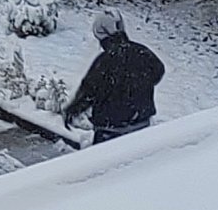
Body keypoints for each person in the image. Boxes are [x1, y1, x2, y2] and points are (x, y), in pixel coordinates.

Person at [63, 10, 164, 145]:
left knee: (108, 165)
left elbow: (88, 91)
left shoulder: (104, 62)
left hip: (111, 129)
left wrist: (72, 111)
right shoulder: (143, 53)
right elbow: (158, 71)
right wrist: (139, 87)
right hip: (141, 124)